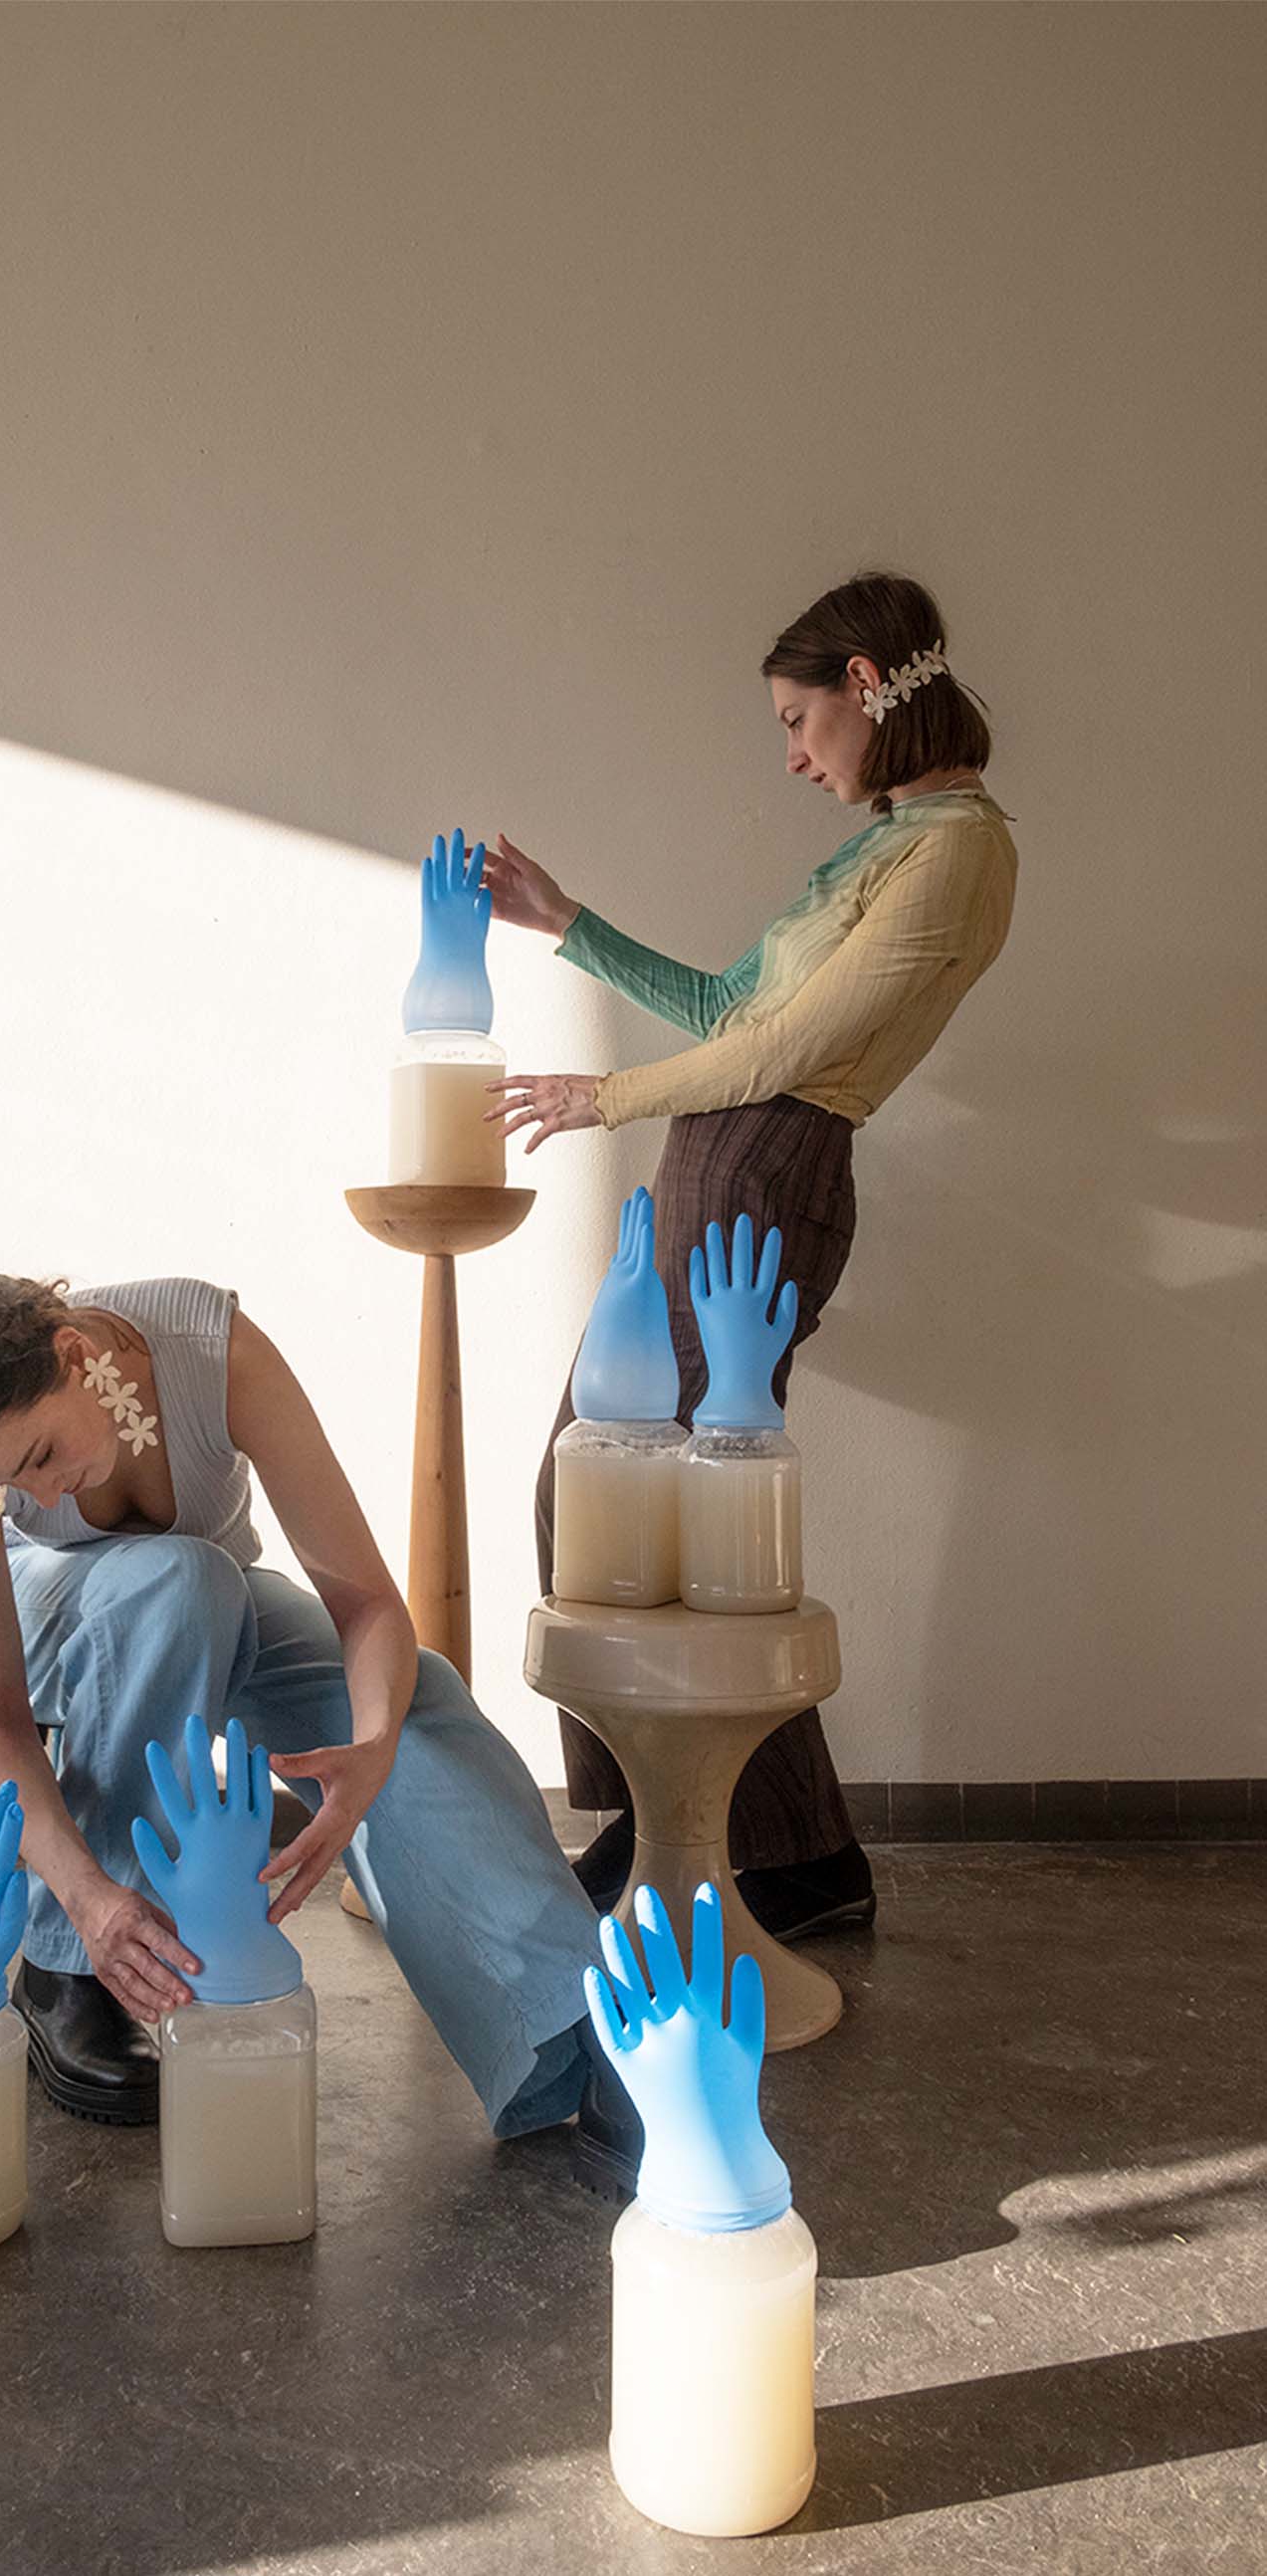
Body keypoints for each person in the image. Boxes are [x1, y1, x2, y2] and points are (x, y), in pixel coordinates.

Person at [487, 571, 1018, 1938]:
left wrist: (597, 1098)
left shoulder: (957, 850)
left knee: (677, 1518)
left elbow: (787, 1055)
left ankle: (773, 1858)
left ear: (866, 688)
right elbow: (734, 1005)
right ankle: (700, 1834)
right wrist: (568, 923)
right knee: (615, 1504)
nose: (791, 753)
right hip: (720, 1163)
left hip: (767, 1169)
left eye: (799, 719)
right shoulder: (887, 842)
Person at [0, 1271, 603, 2135]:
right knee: (181, 1578)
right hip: (44, 1620)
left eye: (39, 1458)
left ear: (72, 1354)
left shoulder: (213, 1352)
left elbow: (365, 1602)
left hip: (210, 1600)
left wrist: (367, 1752)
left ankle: (566, 2030)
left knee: (414, 1705)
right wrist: (84, 1896)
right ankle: (65, 1971)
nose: (46, 1498)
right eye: (9, 1492)